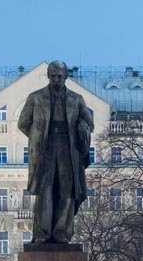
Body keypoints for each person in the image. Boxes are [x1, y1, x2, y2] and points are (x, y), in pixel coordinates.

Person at [17, 61, 94, 244]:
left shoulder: (76, 99)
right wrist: (38, 136)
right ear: (48, 76)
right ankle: (42, 234)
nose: (56, 79)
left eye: (59, 76)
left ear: (66, 76)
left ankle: (62, 233)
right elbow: (23, 123)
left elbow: (88, 124)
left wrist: (80, 131)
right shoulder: (35, 98)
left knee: (66, 190)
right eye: (53, 75)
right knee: (45, 190)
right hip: (46, 147)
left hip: (68, 147)